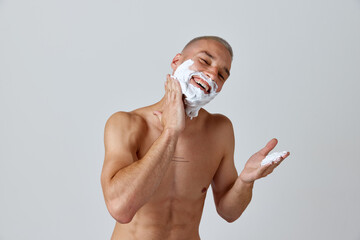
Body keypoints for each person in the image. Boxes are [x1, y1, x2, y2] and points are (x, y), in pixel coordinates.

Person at [100, 36, 290, 240]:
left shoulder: (220, 130)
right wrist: (171, 132)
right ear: (176, 62)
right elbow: (121, 209)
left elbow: (229, 212)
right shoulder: (127, 124)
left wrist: (245, 181)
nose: (212, 74)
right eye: (205, 61)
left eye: (222, 75)